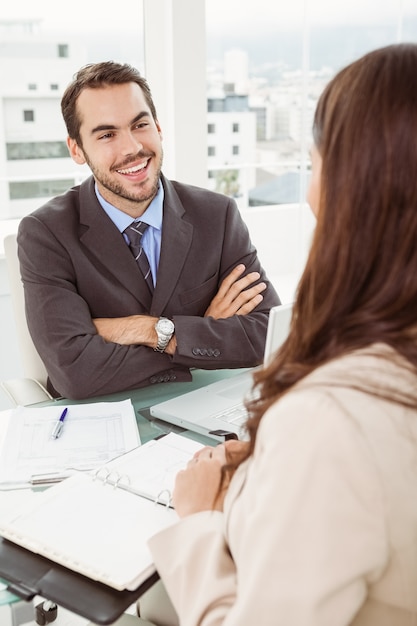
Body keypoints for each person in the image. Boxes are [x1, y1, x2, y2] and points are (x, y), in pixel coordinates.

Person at [141, 43, 417, 626]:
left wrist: (199, 520)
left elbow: (258, 330)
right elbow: (74, 366)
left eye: (313, 162)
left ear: (347, 186)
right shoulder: (47, 232)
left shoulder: (333, 419)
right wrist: (282, 467)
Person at [17, 62, 280, 400]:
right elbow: (75, 373)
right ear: (76, 149)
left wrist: (150, 330)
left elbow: (269, 335)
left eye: (140, 125)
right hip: (100, 423)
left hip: (202, 405)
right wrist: (199, 335)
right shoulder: (45, 234)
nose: (131, 149)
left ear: (157, 127)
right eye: (107, 134)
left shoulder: (217, 215)